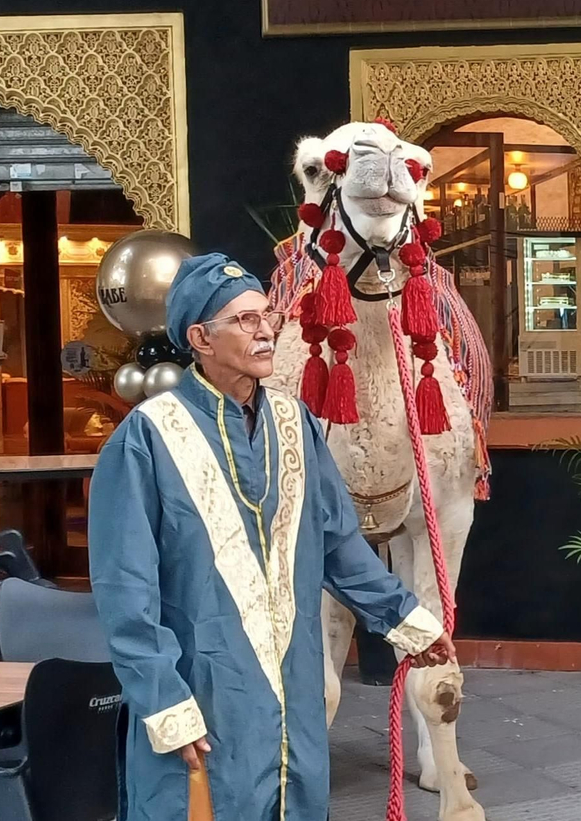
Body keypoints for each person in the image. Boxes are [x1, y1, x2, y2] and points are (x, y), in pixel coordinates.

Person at [89, 252, 456, 821]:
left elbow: (338, 543)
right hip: (203, 691)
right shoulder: (147, 439)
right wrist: (165, 702)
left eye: (267, 316)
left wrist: (408, 623)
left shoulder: (295, 423)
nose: (266, 332)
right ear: (199, 338)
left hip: (293, 685)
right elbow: (125, 592)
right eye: (245, 321)